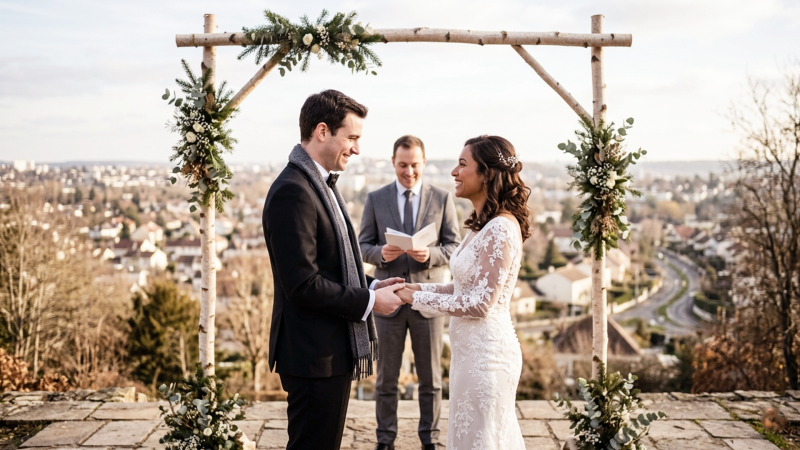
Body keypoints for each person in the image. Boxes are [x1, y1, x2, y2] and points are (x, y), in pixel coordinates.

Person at [262, 90, 407, 450]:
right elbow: (304, 284)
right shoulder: (293, 192)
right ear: (322, 131)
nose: (357, 149)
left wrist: (372, 286)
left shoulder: (318, 185)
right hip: (313, 355)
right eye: (352, 137)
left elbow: (335, 268)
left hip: (329, 352)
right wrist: (370, 302)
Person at [397, 135, 532, 450]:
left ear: (486, 174)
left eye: (462, 164)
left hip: (488, 357)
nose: (454, 173)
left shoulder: (500, 229)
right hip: (467, 355)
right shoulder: (480, 227)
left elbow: (480, 304)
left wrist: (414, 299)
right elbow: (460, 288)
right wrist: (412, 287)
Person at [358, 135, 461, 450]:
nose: (409, 171)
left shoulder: (442, 199)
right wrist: (381, 255)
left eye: (415, 165)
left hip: (428, 300)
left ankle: (430, 441)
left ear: (424, 163)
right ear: (393, 163)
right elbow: (362, 246)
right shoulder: (375, 199)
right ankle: (385, 440)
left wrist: (429, 256)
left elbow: (454, 247)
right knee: (385, 379)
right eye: (403, 165)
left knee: (430, 379)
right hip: (387, 300)